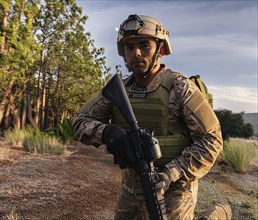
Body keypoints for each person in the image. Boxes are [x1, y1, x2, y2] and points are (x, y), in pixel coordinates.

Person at [73, 14, 231, 220]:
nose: (136, 53)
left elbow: (212, 140)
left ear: (161, 50)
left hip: (175, 189)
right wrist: (108, 133)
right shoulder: (118, 90)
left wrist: (170, 173)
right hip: (131, 187)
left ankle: (217, 214)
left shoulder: (180, 88)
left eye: (144, 46)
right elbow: (79, 122)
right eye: (129, 47)